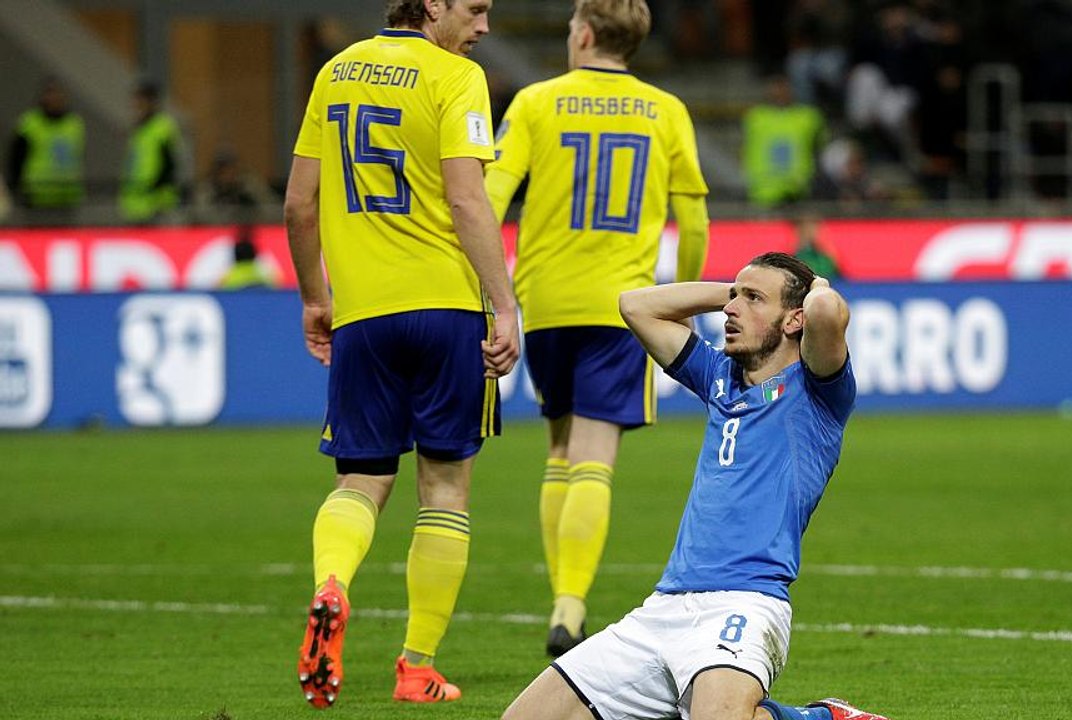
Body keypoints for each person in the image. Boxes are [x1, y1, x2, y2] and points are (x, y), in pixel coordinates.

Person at [502, 252, 892, 720]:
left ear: (794, 319)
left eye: (753, 299)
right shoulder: (718, 377)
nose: (731, 309)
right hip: (663, 607)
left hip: (746, 602)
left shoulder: (817, 392)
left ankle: (823, 717)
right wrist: (733, 292)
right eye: (734, 297)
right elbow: (634, 305)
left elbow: (827, 311)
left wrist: (816, 287)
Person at [283, 0, 517, 709]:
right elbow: (467, 200)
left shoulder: (335, 72)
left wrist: (316, 298)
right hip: (447, 309)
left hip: (363, 316)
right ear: (433, 3)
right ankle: (417, 668)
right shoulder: (455, 77)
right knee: (444, 487)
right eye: (475, 9)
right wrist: (504, 303)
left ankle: (331, 585)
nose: (483, 27)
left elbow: (298, 205)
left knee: (360, 479)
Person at [485, 0, 710, 657]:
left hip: (546, 301)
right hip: (623, 305)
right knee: (594, 457)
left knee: (559, 449)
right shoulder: (666, 110)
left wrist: (486, 286)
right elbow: (695, 222)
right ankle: (570, 606)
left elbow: (491, 198)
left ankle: (562, 596)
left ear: (583, 33)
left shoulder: (535, 101)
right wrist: (679, 300)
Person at [741, 74, 826, 209]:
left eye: (784, 88)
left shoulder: (809, 117)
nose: (780, 93)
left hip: (799, 191)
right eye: (777, 88)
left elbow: (820, 146)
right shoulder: (755, 117)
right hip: (763, 192)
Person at [7, 78, 85, 216]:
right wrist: (15, 188)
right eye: (50, 93)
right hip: (37, 194)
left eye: (58, 94)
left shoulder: (74, 124)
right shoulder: (29, 123)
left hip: (67, 195)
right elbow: (16, 159)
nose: (54, 98)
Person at [119, 82, 183, 223]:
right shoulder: (137, 129)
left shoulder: (163, 127)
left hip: (156, 203)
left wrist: (154, 188)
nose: (136, 105)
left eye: (140, 100)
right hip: (135, 203)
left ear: (152, 101)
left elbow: (170, 164)